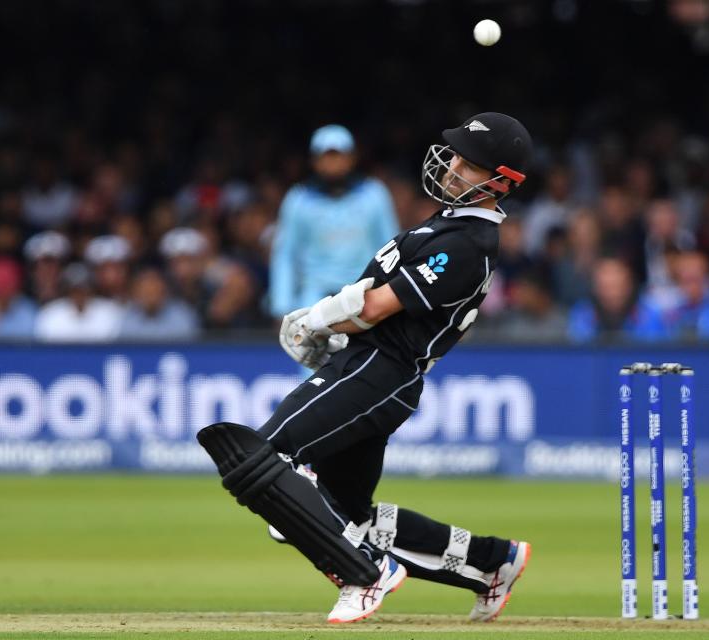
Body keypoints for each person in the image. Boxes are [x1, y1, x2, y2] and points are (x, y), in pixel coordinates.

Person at [203, 113, 533, 624]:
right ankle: (491, 560)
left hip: (381, 369)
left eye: (468, 166)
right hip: (366, 364)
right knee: (345, 511)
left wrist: (319, 319)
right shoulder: (447, 225)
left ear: (501, 182)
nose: (451, 169)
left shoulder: (468, 245)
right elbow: (370, 302)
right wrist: (333, 333)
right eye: (456, 158)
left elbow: (378, 306)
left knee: (262, 461)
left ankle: (366, 573)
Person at [270, 124, 399, 318]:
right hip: (313, 295)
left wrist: (391, 297)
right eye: (326, 157)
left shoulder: (374, 194)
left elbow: (391, 246)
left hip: (364, 291)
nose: (333, 163)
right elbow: (286, 253)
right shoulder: (298, 199)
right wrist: (281, 306)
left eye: (338, 155)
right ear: (314, 161)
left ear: (351, 158)